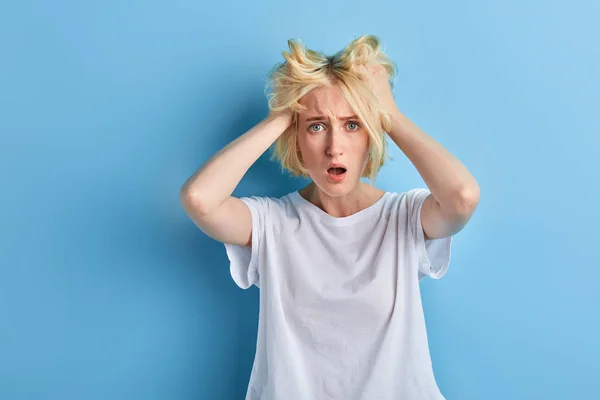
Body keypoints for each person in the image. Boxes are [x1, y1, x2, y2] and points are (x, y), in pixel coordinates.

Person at [180, 35, 480, 400]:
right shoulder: (271, 223)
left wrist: (391, 114)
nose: (334, 146)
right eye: (317, 126)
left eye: (352, 125)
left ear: (371, 136)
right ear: (298, 140)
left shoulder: (404, 217)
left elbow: (462, 198)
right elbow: (200, 199)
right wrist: (283, 116)